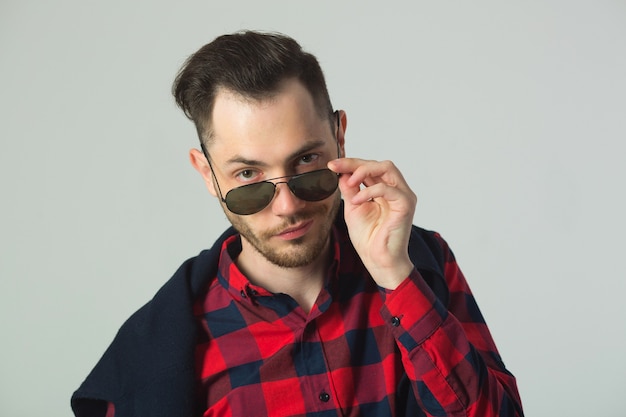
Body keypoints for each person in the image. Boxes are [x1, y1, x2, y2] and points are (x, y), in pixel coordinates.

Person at [71, 31, 523, 417]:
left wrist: (395, 276)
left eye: (307, 162)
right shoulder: (159, 351)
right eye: (249, 177)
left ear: (339, 135)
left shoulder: (421, 265)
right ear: (208, 173)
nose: (287, 205)